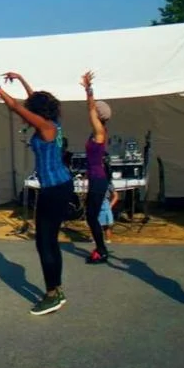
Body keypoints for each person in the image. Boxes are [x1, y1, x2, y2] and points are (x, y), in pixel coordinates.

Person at [0, 72, 71, 314]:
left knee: (44, 243)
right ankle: (57, 289)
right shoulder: (52, 123)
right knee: (49, 241)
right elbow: (32, 99)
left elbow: (15, 106)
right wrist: (20, 78)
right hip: (60, 185)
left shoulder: (44, 126)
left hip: (54, 189)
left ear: (38, 112)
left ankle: (53, 294)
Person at [80, 71, 112, 265]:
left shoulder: (99, 131)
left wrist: (88, 89)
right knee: (90, 214)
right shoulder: (97, 131)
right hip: (95, 177)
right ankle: (101, 248)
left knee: (92, 215)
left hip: (99, 178)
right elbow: (91, 110)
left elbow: (90, 109)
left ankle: (102, 250)